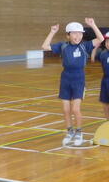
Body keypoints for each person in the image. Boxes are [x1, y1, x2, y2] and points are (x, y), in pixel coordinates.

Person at [41, 18, 104, 146]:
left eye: (80, 33)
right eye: (74, 33)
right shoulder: (63, 46)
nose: (78, 36)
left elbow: (101, 39)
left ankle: (79, 132)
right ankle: (70, 132)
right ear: (68, 35)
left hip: (79, 79)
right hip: (65, 79)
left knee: (75, 109)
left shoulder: (84, 46)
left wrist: (93, 25)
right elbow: (45, 46)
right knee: (66, 110)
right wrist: (52, 32)